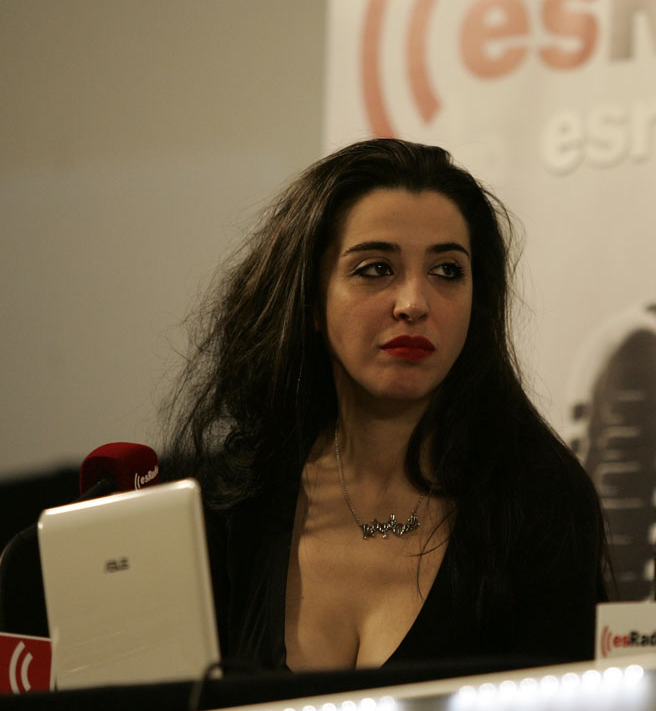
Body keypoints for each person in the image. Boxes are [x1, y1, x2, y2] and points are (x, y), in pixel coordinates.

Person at [164, 138, 608, 673]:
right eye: (376, 269)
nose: (414, 303)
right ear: (310, 300)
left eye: (447, 271)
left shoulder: (540, 502)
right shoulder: (230, 501)